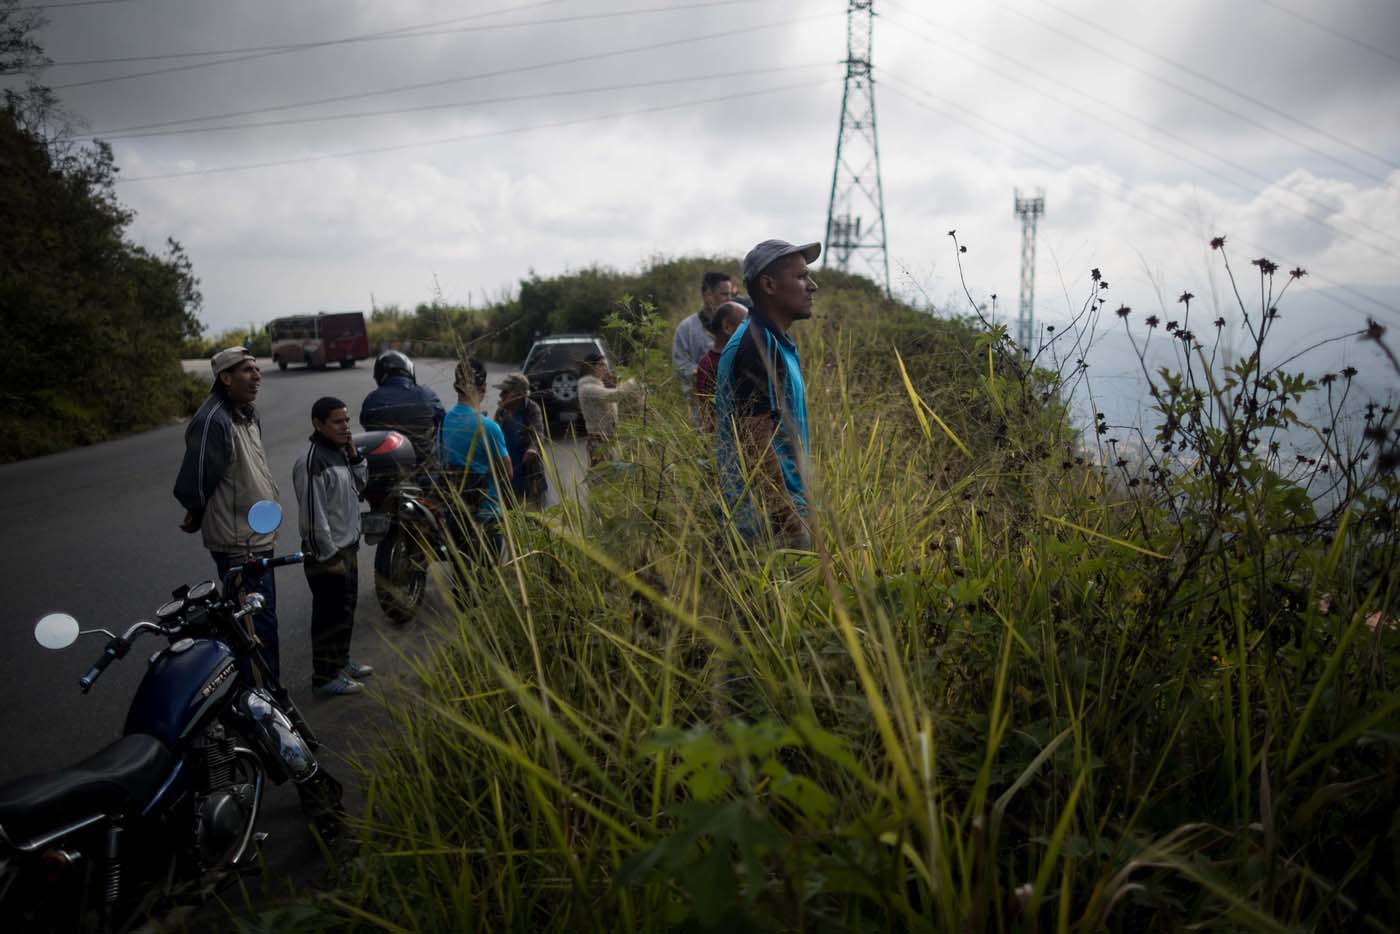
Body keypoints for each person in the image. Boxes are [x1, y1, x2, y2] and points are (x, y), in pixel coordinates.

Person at [173, 346, 284, 681]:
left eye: (256, 369)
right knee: (253, 624)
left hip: (257, 536)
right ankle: (260, 701)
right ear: (225, 377)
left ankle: (265, 695)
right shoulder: (213, 421)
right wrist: (195, 510)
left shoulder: (247, 413)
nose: (257, 376)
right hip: (238, 541)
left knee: (261, 618)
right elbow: (195, 481)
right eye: (247, 370)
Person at [715, 240, 820, 549]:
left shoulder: (773, 340)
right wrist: (789, 521)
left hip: (779, 512)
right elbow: (754, 441)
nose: (812, 286)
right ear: (769, 284)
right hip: (767, 523)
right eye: (801, 277)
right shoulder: (757, 346)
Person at [293, 396, 373, 698]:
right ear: (318, 424)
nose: (346, 427)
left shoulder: (339, 452)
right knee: (328, 615)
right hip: (328, 554)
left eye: (347, 421)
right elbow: (313, 517)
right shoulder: (312, 461)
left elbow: (360, 485)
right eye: (338, 422)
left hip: (347, 547)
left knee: (345, 609)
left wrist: (354, 454)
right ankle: (324, 677)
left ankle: (340, 661)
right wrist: (329, 557)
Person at [438, 358, 512, 559]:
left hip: (456, 515)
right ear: (484, 388)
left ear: (456, 387)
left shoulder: (445, 421)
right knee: (487, 581)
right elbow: (507, 472)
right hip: (485, 517)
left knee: (462, 581)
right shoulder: (488, 427)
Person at [672, 272, 737, 423]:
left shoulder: (739, 325)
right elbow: (681, 365)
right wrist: (706, 373)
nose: (729, 300)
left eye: (731, 295)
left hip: (737, 407)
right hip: (701, 409)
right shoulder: (686, 328)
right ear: (708, 295)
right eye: (724, 295)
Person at [360, 349, 445, 464]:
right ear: (409, 370)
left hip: (385, 466)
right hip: (424, 466)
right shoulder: (426, 394)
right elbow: (443, 424)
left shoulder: (371, 400)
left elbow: (367, 429)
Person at [491, 372, 548, 507]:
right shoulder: (501, 411)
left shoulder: (532, 409)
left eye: (505, 392)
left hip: (528, 475)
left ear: (518, 394)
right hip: (507, 475)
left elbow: (538, 434)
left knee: (533, 517)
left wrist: (533, 449)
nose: (501, 395)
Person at [693, 300, 749, 432]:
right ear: (727, 328)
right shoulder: (711, 365)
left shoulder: (733, 357)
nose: (749, 330)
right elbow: (713, 414)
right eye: (744, 325)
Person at [577, 352, 639, 466]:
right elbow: (615, 396)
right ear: (590, 367)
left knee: (611, 479)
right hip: (599, 442)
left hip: (608, 440)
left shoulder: (598, 386)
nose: (605, 368)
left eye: (606, 365)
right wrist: (634, 381)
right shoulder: (587, 388)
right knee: (601, 479)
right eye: (601, 365)